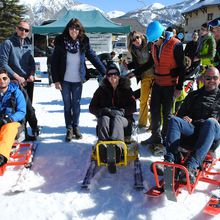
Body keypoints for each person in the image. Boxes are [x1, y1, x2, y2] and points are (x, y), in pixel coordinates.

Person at [154, 66, 220, 184]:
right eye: (208, 78)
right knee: (174, 120)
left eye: (215, 78)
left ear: (219, 79)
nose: (211, 80)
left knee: (211, 122)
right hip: (194, 130)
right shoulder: (194, 95)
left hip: (212, 133)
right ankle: (171, 160)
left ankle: (191, 167)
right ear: (203, 79)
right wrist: (185, 117)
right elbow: (181, 114)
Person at [51, 18, 106, 142]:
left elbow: (93, 56)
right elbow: (54, 62)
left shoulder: (83, 41)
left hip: (77, 80)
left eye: (76, 28)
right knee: (67, 105)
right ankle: (69, 129)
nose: (74, 31)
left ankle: (76, 127)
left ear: (80, 30)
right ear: (68, 29)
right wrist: (56, 80)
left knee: (76, 105)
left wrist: (105, 71)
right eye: (71, 28)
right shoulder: (60, 42)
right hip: (64, 80)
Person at [142, 21, 185, 145]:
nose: (153, 43)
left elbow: (182, 68)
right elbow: (151, 62)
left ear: (162, 36)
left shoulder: (176, 45)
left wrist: (179, 87)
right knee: (154, 111)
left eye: (155, 41)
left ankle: (166, 138)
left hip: (170, 85)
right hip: (158, 83)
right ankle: (155, 136)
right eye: (152, 42)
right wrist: (135, 71)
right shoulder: (154, 46)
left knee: (167, 114)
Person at [0, 20, 40, 141]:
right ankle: (24, 132)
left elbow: (32, 61)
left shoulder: (28, 43)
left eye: (26, 30)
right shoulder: (8, 43)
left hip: (28, 81)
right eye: (21, 29)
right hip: (14, 82)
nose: (23, 32)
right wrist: (17, 77)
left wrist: (32, 74)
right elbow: (3, 63)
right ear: (16, 29)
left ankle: (27, 130)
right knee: (21, 107)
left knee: (28, 108)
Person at [89, 61, 136, 147]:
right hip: (107, 116)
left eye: (115, 73)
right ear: (107, 77)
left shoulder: (126, 88)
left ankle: (117, 148)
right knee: (104, 119)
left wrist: (122, 112)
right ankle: (103, 148)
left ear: (118, 75)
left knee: (117, 119)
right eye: (110, 74)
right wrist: (101, 111)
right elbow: (92, 107)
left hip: (123, 118)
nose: (113, 76)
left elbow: (133, 107)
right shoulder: (101, 90)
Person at [126, 31, 154, 129]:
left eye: (137, 37)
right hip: (144, 77)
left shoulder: (150, 45)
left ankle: (153, 124)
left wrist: (135, 72)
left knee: (153, 101)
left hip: (155, 76)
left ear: (141, 36)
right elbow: (137, 64)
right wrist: (128, 66)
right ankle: (142, 123)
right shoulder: (134, 50)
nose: (136, 40)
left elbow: (151, 63)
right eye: (133, 40)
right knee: (143, 100)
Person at [0, 69, 26, 167]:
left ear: (8, 79)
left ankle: (1, 156)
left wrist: (9, 119)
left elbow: (21, 111)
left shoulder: (16, 93)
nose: (1, 81)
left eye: (4, 78)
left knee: (8, 129)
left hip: (13, 123)